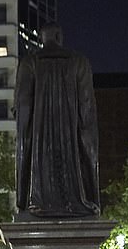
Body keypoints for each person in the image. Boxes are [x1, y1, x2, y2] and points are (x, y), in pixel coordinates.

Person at [15, 23, 99, 218]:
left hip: (39, 142)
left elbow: (23, 105)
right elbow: (87, 105)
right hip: (72, 140)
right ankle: (74, 199)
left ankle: (39, 200)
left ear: (42, 39)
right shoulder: (79, 62)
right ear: (60, 37)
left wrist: (25, 136)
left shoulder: (29, 63)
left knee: (40, 164)